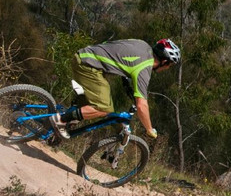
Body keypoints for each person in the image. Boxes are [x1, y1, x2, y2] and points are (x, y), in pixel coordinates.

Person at [49, 38, 180, 143]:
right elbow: (142, 106)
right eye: (170, 65)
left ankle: (53, 132)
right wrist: (149, 129)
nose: (168, 68)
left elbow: (119, 56)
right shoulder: (144, 68)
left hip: (85, 56)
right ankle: (60, 120)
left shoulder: (142, 44)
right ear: (164, 61)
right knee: (104, 108)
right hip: (89, 66)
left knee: (87, 104)